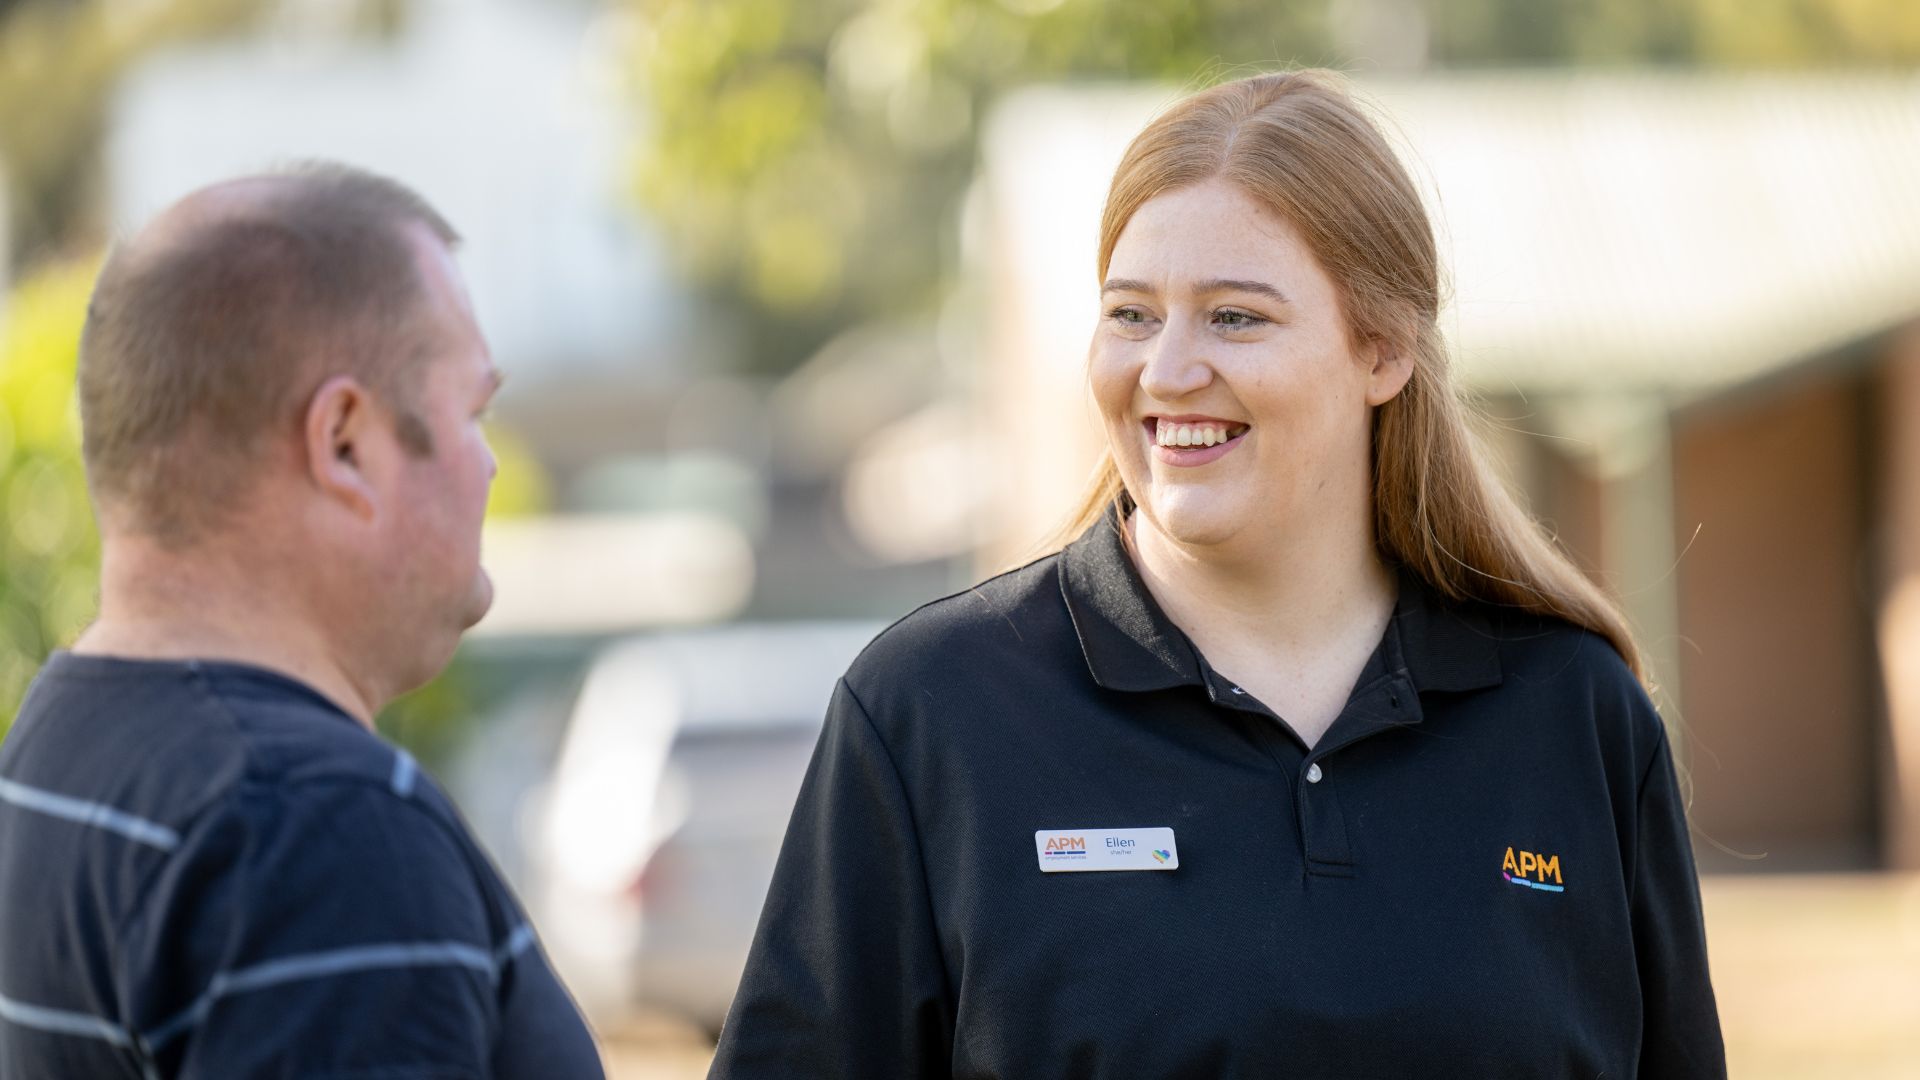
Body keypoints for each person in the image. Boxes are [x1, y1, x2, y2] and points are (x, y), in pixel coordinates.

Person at [710, 70, 1725, 1078]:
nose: (1167, 370)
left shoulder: (1574, 718)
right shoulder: (932, 711)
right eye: (1132, 314)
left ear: (1382, 350)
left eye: (1235, 317)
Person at [0, 165, 605, 1078]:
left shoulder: (63, 740)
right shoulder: (318, 830)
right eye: (474, 410)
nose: (487, 465)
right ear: (344, 444)